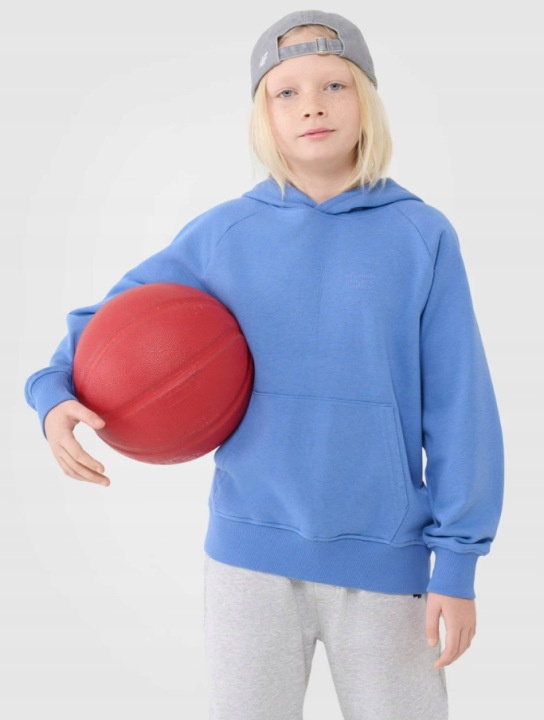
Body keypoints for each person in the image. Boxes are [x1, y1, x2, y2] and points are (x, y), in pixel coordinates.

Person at [24, 9, 504, 720]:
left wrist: (458, 564)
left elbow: (462, 408)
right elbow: (109, 324)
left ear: (368, 101)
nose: (312, 105)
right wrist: (51, 393)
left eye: (335, 84)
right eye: (287, 92)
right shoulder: (225, 234)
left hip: (385, 560)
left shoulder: (421, 235)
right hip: (247, 560)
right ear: (264, 116)